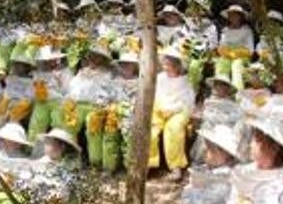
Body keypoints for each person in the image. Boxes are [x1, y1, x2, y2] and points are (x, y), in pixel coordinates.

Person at [64, 44, 114, 168]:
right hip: (78, 105)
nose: (94, 59)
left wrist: (102, 103)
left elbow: (109, 93)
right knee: (69, 124)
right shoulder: (81, 72)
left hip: (96, 106)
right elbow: (72, 89)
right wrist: (70, 101)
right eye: (92, 56)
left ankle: (95, 162)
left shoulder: (106, 74)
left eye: (98, 56)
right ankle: (72, 158)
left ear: (103, 59)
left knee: (93, 125)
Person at [149, 47, 196, 179]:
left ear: (177, 65)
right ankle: (149, 163)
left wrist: (172, 109)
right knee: (151, 129)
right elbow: (155, 95)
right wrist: (161, 107)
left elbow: (187, 101)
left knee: (174, 129)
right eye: (165, 64)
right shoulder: (159, 78)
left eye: (169, 65)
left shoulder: (185, 81)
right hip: (160, 109)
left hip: (179, 111)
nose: (166, 67)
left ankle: (176, 167)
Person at [101, 52, 141, 172]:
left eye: (128, 64)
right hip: (112, 114)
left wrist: (130, 110)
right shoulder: (113, 81)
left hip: (130, 117)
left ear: (135, 66)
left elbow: (141, 103)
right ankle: (109, 167)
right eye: (123, 64)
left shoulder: (140, 82)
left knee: (129, 140)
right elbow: (103, 98)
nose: (125, 67)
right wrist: (107, 107)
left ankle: (129, 167)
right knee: (109, 138)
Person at [191, 75, 243, 164]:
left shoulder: (232, 104)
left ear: (226, 89)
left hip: (227, 130)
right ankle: (210, 157)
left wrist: (223, 119)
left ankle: (223, 157)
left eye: (220, 85)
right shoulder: (207, 102)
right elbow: (204, 115)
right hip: (210, 129)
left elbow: (237, 116)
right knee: (206, 127)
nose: (216, 87)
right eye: (215, 84)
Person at [29, 46, 71, 140]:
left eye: (52, 59)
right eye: (46, 60)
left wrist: (58, 80)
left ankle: (58, 145)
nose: (49, 62)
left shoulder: (64, 71)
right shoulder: (38, 72)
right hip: (41, 102)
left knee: (58, 124)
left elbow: (67, 90)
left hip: (58, 102)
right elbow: (32, 88)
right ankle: (33, 146)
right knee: (36, 126)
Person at [215, 4, 255, 90]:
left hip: (242, 57)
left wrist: (237, 53)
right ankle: (220, 90)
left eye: (235, 15)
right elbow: (221, 46)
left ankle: (237, 92)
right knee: (221, 63)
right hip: (227, 55)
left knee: (236, 65)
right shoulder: (225, 30)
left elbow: (250, 50)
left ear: (240, 17)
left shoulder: (247, 31)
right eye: (230, 15)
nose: (232, 17)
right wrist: (226, 52)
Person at [0, 49, 36, 129]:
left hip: (22, 104)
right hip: (8, 101)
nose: (16, 67)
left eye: (19, 65)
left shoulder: (31, 81)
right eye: (15, 64)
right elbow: (7, 92)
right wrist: (4, 103)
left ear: (26, 67)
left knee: (12, 117)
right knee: (0, 114)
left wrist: (14, 109)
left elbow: (28, 98)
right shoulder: (10, 78)